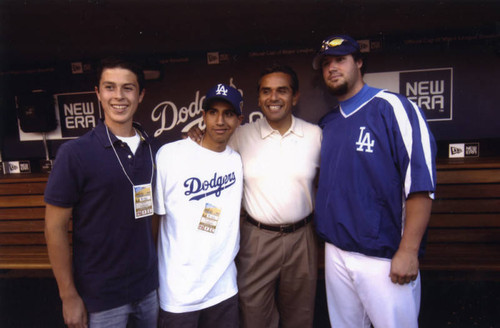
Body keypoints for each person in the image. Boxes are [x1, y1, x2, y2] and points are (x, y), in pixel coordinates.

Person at [312, 34, 437, 328]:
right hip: (336, 251)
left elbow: (421, 184)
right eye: (326, 63)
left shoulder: (393, 107)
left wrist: (408, 251)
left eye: (340, 60)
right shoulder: (327, 123)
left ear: (359, 62)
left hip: (384, 255)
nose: (332, 68)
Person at [189, 64, 322, 328]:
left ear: (295, 97)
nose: (273, 98)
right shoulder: (241, 134)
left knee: (300, 316)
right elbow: (208, 147)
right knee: (253, 317)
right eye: (266, 91)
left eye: (281, 91)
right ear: (259, 98)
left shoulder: (315, 135)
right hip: (256, 238)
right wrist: (196, 135)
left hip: (302, 238)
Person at [44, 57, 159, 328]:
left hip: (148, 290)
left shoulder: (155, 149)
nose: (118, 96)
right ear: (97, 92)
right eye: (109, 87)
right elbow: (54, 228)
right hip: (101, 297)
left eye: (128, 88)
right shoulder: (75, 153)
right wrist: (68, 295)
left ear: (141, 94)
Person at [154, 83, 244, 328]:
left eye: (228, 113)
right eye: (213, 112)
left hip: (223, 287)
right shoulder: (170, 155)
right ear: (202, 116)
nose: (220, 120)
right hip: (180, 291)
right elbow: (154, 219)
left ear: (238, 120)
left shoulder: (237, 160)